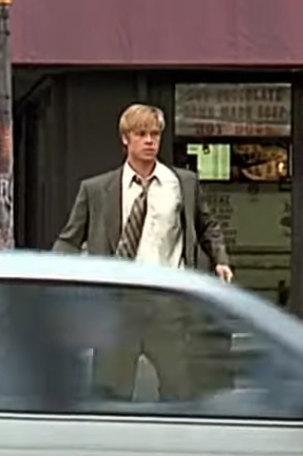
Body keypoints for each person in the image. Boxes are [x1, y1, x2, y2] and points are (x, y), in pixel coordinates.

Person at [52, 103, 233, 401]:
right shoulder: (97, 190)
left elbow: (207, 225)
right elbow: (69, 240)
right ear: (126, 139)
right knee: (111, 392)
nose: (149, 141)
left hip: (168, 302)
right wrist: (52, 277)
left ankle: (173, 442)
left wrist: (221, 260)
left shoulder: (182, 184)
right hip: (117, 304)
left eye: (155, 134)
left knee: (180, 390)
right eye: (141, 134)